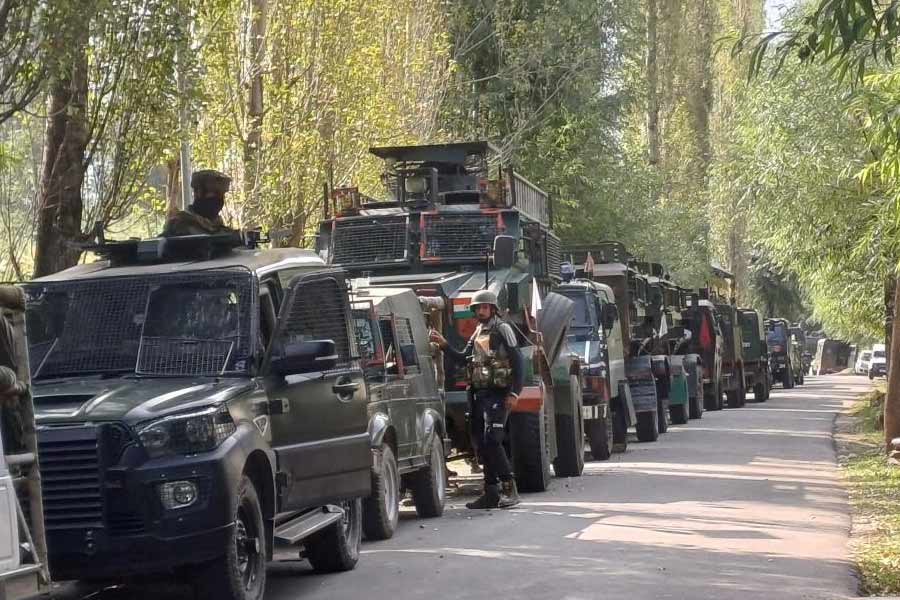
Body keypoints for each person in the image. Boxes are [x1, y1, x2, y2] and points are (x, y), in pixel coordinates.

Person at [430, 290, 524, 509]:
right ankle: (490, 492)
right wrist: (444, 345)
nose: (481, 311)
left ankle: (510, 489)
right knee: (482, 444)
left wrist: (515, 393)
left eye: (484, 307)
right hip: (479, 394)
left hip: (499, 394)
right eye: (478, 308)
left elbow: (518, 361)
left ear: (492, 309)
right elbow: (464, 359)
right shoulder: (478, 331)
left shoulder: (503, 329)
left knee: (493, 439)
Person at [161, 169, 234, 236]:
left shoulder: (220, 229)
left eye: (222, 195)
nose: (219, 199)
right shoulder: (179, 226)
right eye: (215, 193)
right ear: (198, 193)